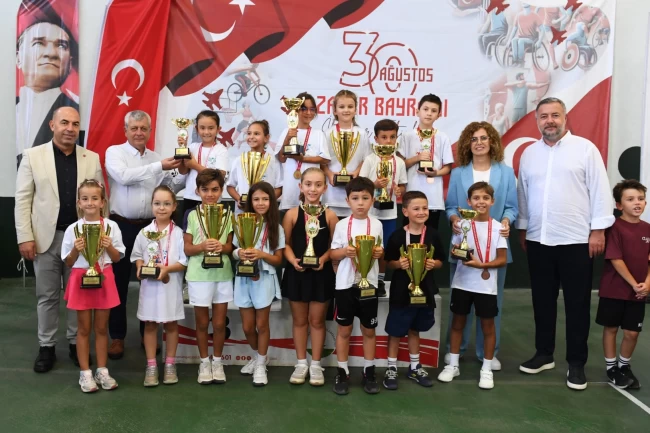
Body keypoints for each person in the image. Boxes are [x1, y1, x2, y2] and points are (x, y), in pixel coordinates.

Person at [517, 97, 614, 390]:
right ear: (537, 120)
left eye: (555, 115)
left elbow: (600, 190)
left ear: (565, 118)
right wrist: (524, 228)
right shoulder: (529, 154)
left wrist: (598, 231)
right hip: (539, 238)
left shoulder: (585, 149)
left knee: (577, 304)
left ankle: (576, 363)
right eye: (544, 116)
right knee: (542, 301)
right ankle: (544, 354)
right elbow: (523, 194)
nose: (550, 121)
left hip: (576, 240)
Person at [15, 106, 103, 373]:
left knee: (78, 295)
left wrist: (99, 235)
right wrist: (25, 237)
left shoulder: (91, 158)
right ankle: (47, 346)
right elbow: (23, 200)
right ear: (52, 125)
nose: (70, 129)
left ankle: (77, 343)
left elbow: (100, 200)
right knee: (47, 295)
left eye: (75, 124)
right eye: (64, 123)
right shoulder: (32, 156)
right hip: (46, 238)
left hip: (81, 239)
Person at [104, 110, 189, 360]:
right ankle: (117, 336)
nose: (139, 132)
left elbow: (170, 187)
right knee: (118, 283)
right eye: (134, 128)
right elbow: (123, 177)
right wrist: (159, 166)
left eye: (144, 128)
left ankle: (147, 332)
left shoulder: (155, 158)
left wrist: (184, 170)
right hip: (121, 226)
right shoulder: (115, 152)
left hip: (152, 229)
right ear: (126, 130)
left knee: (150, 283)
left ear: (150, 131)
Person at [444, 122, 518, 371]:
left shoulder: (505, 173)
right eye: (474, 139)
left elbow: (511, 207)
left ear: (492, 142)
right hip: (463, 245)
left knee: (492, 304)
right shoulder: (458, 173)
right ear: (468, 143)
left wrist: (506, 221)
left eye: (484, 138)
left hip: (494, 248)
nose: (479, 143)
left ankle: (487, 354)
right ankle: (455, 350)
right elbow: (451, 207)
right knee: (459, 300)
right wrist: (454, 220)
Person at [438, 182, 508, 390]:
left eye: (485, 198)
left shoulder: (499, 228)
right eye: (476, 198)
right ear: (469, 202)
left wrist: (481, 265)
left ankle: (486, 369)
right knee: (457, 323)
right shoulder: (462, 225)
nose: (481, 202)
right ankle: (453, 365)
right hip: (462, 283)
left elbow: (502, 259)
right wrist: (457, 251)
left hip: (486, 287)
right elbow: (454, 252)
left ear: (493, 201)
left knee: (488, 327)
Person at [62, 179, 124, 393]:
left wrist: (109, 246)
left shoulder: (112, 227)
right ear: (79, 203)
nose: (90, 203)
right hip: (81, 278)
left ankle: (102, 370)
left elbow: (117, 258)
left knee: (101, 328)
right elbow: (68, 262)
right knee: (83, 328)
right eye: (85, 198)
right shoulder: (73, 229)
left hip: (104, 277)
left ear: (102, 202)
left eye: (95, 198)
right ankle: (85, 373)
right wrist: (75, 250)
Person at [382, 191, 445, 390]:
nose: (421, 212)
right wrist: (398, 264)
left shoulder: (433, 234)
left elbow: (441, 261)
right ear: (405, 211)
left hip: (424, 290)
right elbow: (388, 262)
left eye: (425, 208)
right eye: (416, 208)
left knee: (414, 329)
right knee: (395, 331)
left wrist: (433, 264)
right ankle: (391, 368)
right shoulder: (398, 235)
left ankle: (415, 366)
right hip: (401, 291)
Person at [281, 168, 338, 386]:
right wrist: (292, 260)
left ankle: (315, 364)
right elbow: (285, 244)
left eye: (318, 184)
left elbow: (334, 247)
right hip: (297, 273)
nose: (313, 189)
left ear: (325, 187)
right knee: (299, 321)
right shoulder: (291, 215)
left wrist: (323, 259)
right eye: (308, 184)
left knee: (317, 321)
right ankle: (300, 363)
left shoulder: (330, 216)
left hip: (321, 275)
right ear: (300, 186)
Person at [330, 177, 384, 395]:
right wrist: (345, 252)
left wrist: (379, 252)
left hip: (369, 284)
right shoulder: (342, 225)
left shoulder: (377, 224)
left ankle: (368, 371)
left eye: (365, 198)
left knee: (368, 330)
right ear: (347, 201)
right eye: (355, 198)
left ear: (373, 200)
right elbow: (333, 254)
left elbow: (380, 250)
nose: (360, 203)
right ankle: (342, 372)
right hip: (345, 285)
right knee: (344, 329)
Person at [132, 186, 188, 387]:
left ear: (174, 206)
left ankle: (170, 364)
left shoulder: (179, 234)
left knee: (171, 324)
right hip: (150, 287)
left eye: (166, 204)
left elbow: (183, 262)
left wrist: (166, 269)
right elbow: (137, 256)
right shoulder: (144, 233)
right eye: (157, 203)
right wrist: (140, 267)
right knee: (150, 325)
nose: (161, 208)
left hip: (170, 286)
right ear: (151, 206)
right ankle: (151, 366)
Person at [596, 180, 649, 390]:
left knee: (632, 333)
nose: (637, 203)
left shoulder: (648, 229)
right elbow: (616, 260)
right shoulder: (614, 228)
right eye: (630, 199)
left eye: (641, 199)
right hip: (614, 290)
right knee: (611, 328)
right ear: (619, 205)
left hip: (638, 293)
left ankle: (624, 366)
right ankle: (611, 368)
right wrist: (634, 284)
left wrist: (646, 284)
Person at [183, 169, 234, 385]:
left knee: (220, 323)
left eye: (215, 190)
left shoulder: (228, 214)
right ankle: (204, 362)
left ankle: (218, 362)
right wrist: (202, 246)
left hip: (222, 273)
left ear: (222, 191)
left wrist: (222, 248)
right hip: (198, 275)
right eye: (205, 190)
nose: (210, 194)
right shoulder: (191, 215)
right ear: (197, 191)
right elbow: (187, 248)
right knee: (202, 322)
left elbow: (230, 246)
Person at [233, 181, 285, 386]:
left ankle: (261, 364)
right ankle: (259, 356)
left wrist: (261, 254)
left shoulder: (276, 228)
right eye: (256, 199)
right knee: (247, 327)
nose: (261, 203)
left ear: (272, 201)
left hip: (264, 278)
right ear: (250, 202)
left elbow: (278, 259)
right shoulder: (241, 222)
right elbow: (233, 250)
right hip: (243, 278)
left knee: (261, 325)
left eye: (265, 199)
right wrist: (240, 253)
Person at [15, 20, 79, 166]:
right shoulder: (6, 109)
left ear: (70, 64)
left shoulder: (76, 113)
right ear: (19, 58)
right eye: (38, 43)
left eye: (61, 46)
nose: (51, 53)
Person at [359, 119, 407, 294]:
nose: (388, 141)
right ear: (376, 139)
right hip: (370, 213)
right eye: (384, 137)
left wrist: (398, 190)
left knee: (384, 248)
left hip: (390, 214)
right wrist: (375, 184)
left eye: (392, 137)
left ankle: (379, 280)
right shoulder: (370, 160)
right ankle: (364, 277)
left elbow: (403, 185)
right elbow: (361, 185)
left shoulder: (399, 162)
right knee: (368, 247)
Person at [399, 94, 454, 231]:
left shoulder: (442, 137)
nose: (429, 113)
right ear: (417, 111)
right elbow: (400, 165)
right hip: (412, 194)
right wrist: (417, 158)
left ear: (439, 115)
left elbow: (447, 167)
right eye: (425, 109)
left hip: (434, 197)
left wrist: (436, 173)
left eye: (433, 111)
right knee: (409, 234)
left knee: (430, 236)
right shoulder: (407, 136)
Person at [276, 92, 330, 212]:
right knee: (290, 221)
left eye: (312, 109)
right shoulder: (286, 131)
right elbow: (281, 158)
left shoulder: (318, 134)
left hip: (312, 191)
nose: (308, 113)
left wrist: (303, 159)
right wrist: (287, 138)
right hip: (291, 188)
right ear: (295, 110)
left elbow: (325, 159)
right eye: (304, 109)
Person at [322, 89, 370, 218]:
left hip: (355, 194)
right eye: (342, 107)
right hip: (331, 193)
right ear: (335, 110)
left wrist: (356, 173)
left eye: (350, 106)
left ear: (355, 110)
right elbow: (322, 161)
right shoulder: (328, 134)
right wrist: (329, 174)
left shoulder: (361, 134)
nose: (346, 110)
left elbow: (366, 159)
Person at [227, 120, 282, 215]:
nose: (251, 137)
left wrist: (267, 202)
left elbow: (279, 188)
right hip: (243, 211)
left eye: (256, 134)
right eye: (249, 133)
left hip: (266, 212)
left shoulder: (273, 161)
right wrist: (239, 199)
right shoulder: (239, 160)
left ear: (266, 138)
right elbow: (230, 186)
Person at [179, 110, 230, 214]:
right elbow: (183, 171)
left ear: (218, 129)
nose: (206, 132)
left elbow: (220, 175)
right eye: (202, 128)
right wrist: (182, 148)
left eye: (211, 128)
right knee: (190, 224)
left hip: (212, 199)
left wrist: (195, 165)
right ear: (196, 129)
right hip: (191, 197)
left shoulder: (221, 150)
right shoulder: (192, 147)